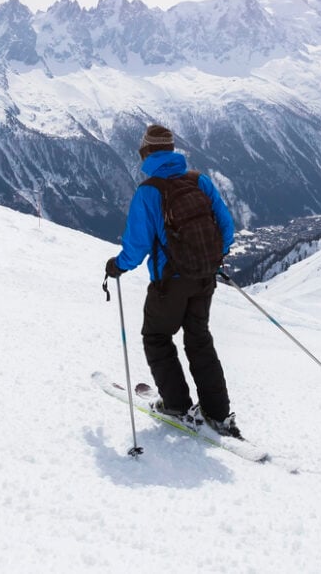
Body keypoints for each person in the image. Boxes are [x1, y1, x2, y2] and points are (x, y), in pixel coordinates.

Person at [105, 124, 240, 437]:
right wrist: (211, 259)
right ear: (171, 149)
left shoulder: (149, 192)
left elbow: (137, 246)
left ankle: (177, 406)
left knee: (156, 337)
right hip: (205, 277)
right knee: (199, 339)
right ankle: (218, 413)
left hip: (170, 283)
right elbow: (226, 227)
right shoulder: (198, 180)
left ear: (146, 152)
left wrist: (117, 266)